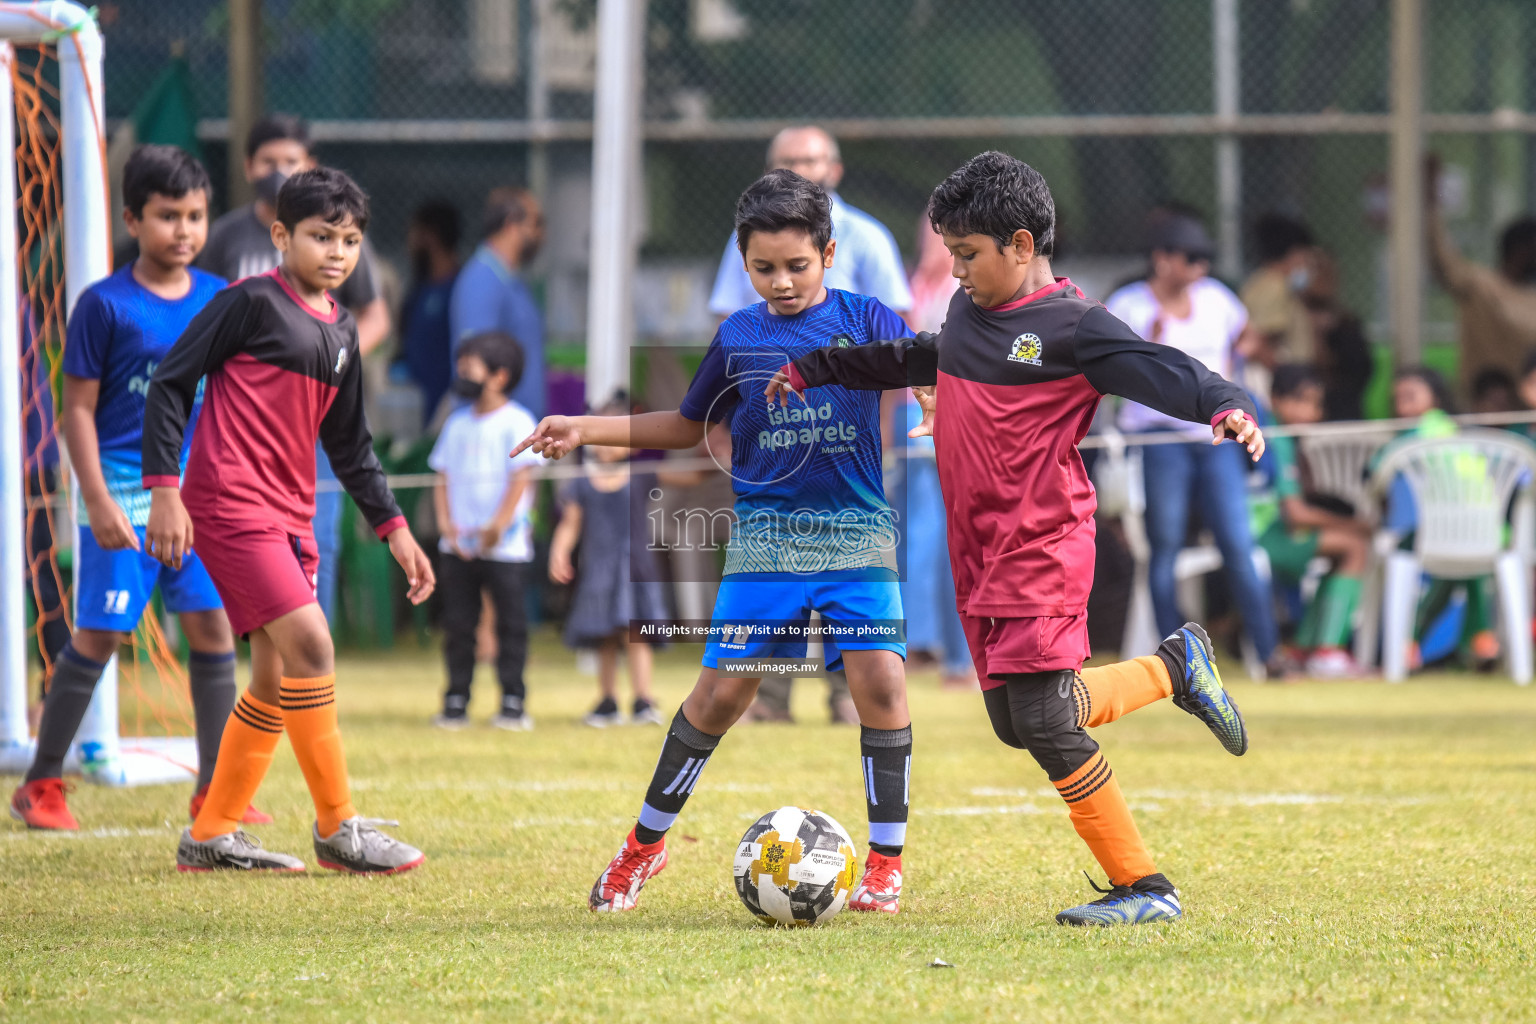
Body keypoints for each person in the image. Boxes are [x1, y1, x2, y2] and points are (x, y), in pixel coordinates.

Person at [767, 151, 1261, 927]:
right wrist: (820, 367)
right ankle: (1175, 667)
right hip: (980, 553)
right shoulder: (969, 316)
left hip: (1042, 546)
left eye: (967, 255)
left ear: (1022, 245)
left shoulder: (1076, 328)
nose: (955, 270)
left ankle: (1145, 888)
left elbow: (1160, 367)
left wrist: (1225, 404)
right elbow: (917, 355)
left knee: (1042, 721)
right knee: (1016, 719)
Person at [517, 169, 916, 916]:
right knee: (721, 693)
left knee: (882, 685)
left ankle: (886, 865)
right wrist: (585, 429)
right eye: (764, 268)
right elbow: (687, 422)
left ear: (829, 255)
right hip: (766, 536)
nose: (783, 281)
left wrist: (933, 397)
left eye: (797, 265)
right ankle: (644, 845)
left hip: (857, 532)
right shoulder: (739, 335)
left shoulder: (869, 318)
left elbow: (927, 365)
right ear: (744, 263)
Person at [143, 167, 436, 873]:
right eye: (320, 236)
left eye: (351, 240)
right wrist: (163, 488)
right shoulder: (247, 303)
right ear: (281, 235)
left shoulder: (341, 333)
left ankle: (211, 832)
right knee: (314, 645)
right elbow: (171, 381)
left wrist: (395, 530)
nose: (337, 252)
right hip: (228, 503)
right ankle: (339, 829)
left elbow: (350, 446)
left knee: (277, 677)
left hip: (292, 515)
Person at [9, 146, 259, 830]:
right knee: (102, 632)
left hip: (200, 497)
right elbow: (77, 411)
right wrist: (94, 499)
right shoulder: (104, 305)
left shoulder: (221, 299)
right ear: (132, 218)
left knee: (211, 629)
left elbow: (232, 402)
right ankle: (42, 783)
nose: (183, 230)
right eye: (166, 216)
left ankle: (215, 790)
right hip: (123, 491)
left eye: (196, 216)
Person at [708, 125, 913, 726]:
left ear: (836, 169)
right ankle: (769, 697)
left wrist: (891, 421)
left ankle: (852, 696)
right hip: (772, 440)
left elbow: (899, 341)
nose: (802, 168)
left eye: (812, 159)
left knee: (854, 562)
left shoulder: (868, 238)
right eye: (789, 160)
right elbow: (730, 329)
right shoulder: (743, 241)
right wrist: (726, 422)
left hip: (855, 439)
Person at [195, 113, 391, 624]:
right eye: (267, 161)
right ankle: (272, 645)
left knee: (314, 536)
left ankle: (308, 652)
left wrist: (328, 367)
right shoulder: (225, 239)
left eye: (290, 161)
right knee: (238, 535)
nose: (277, 170)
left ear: (311, 166)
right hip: (239, 426)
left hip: (312, 420)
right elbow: (199, 328)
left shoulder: (342, 240)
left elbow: (372, 316)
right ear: (247, 166)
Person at [1107, 214, 1280, 675]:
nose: (1201, 267)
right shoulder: (1128, 306)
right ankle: (1174, 664)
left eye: (1206, 259)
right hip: (1157, 437)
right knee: (1164, 546)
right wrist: (1150, 342)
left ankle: (1269, 653)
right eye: (1192, 258)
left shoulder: (1217, 300)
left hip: (1215, 435)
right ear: (1162, 260)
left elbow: (1249, 342)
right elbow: (1111, 371)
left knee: (1238, 543)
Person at [428, 331, 541, 730]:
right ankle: (455, 699)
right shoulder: (456, 423)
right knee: (459, 624)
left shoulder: (518, 421)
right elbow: (441, 476)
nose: (461, 375)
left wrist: (498, 525)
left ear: (499, 376)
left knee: (511, 623)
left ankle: (513, 699)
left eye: (469, 369)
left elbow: (521, 478)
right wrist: (446, 525)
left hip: (505, 549)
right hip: (457, 547)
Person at [548, 396, 667, 728]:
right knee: (605, 636)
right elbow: (569, 524)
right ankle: (607, 700)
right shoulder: (582, 485)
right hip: (599, 572)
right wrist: (558, 553)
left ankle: (643, 699)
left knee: (637, 634)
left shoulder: (643, 476)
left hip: (637, 569)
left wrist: (714, 458)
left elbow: (689, 476)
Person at [1252, 366, 1370, 678]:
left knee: (1342, 550)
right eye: (1302, 401)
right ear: (1276, 399)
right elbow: (1296, 515)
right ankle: (1328, 652)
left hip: (1259, 533)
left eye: (1317, 404)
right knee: (1355, 547)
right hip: (1262, 537)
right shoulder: (1278, 437)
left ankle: (1305, 647)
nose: (1311, 412)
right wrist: (1356, 524)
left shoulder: (1277, 432)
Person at [900, 219, 973, 688]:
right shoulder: (912, 286)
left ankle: (956, 656)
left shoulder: (965, 287)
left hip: (957, 417)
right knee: (919, 536)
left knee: (954, 536)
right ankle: (918, 645)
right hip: (909, 420)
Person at [1427, 162, 1536, 399]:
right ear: (1520, 250)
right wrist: (1430, 197)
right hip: (1482, 407)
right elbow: (1441, 258)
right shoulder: (1479, 285)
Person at [450, 187, 546, 419]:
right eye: (537, 223)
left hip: (517, 435)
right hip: (493, 440)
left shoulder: (511, 279)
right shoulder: (481, 281)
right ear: (512, 225)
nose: (541, 234)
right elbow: (474, 365)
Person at [396, 200, 461, 424]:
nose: (410, 241)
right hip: (414, 409)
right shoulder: (418, 291)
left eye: (414, 232)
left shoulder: (460, 289)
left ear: (430, 236)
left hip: (447, 411)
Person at [1240, 213, 1317, 368]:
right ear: (1294, 254)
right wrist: (1286, 378)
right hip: (1275, 382)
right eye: (1306, 256)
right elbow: (1259, 341)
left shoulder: (1269, 283)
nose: (1308, 264)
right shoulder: (1273, 287)